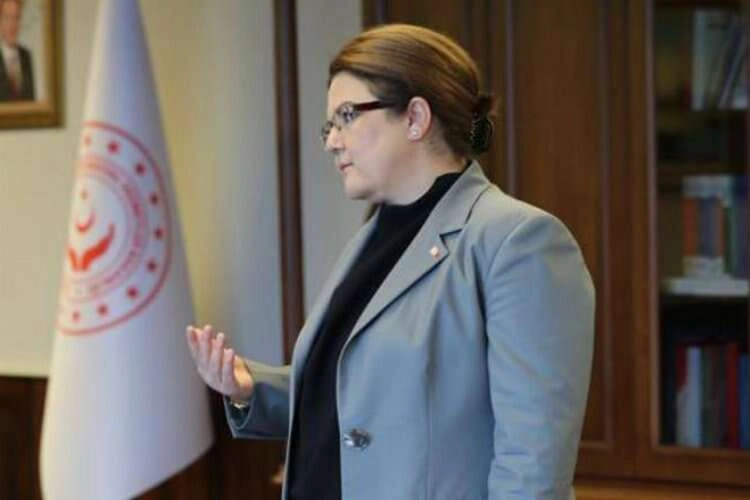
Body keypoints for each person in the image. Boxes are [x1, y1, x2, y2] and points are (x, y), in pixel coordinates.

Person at [187, 23, 595, 500]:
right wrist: (253, 389)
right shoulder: (373, 235)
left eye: (346, 116)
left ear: (415, 118)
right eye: (329, 125)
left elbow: (533, 469)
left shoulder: (518, 241)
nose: (332, 141)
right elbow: (369, 396)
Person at [0, 0, 34, 102]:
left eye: (16, 18)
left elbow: (31, 99)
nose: (12, 24)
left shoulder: (26, 56)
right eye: (7, 17)